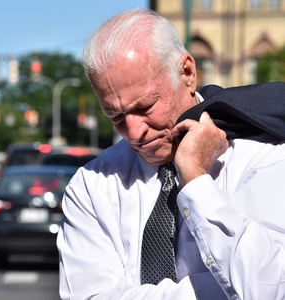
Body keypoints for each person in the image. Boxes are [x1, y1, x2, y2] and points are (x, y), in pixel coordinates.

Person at [56, 8, 285, 300]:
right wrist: (219, 289)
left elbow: (269, 288)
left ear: (187, 73)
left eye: (144, 107)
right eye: (115, 116)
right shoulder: (92, 185)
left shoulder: (263, 155)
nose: (134, 132)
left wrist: (196, 179)